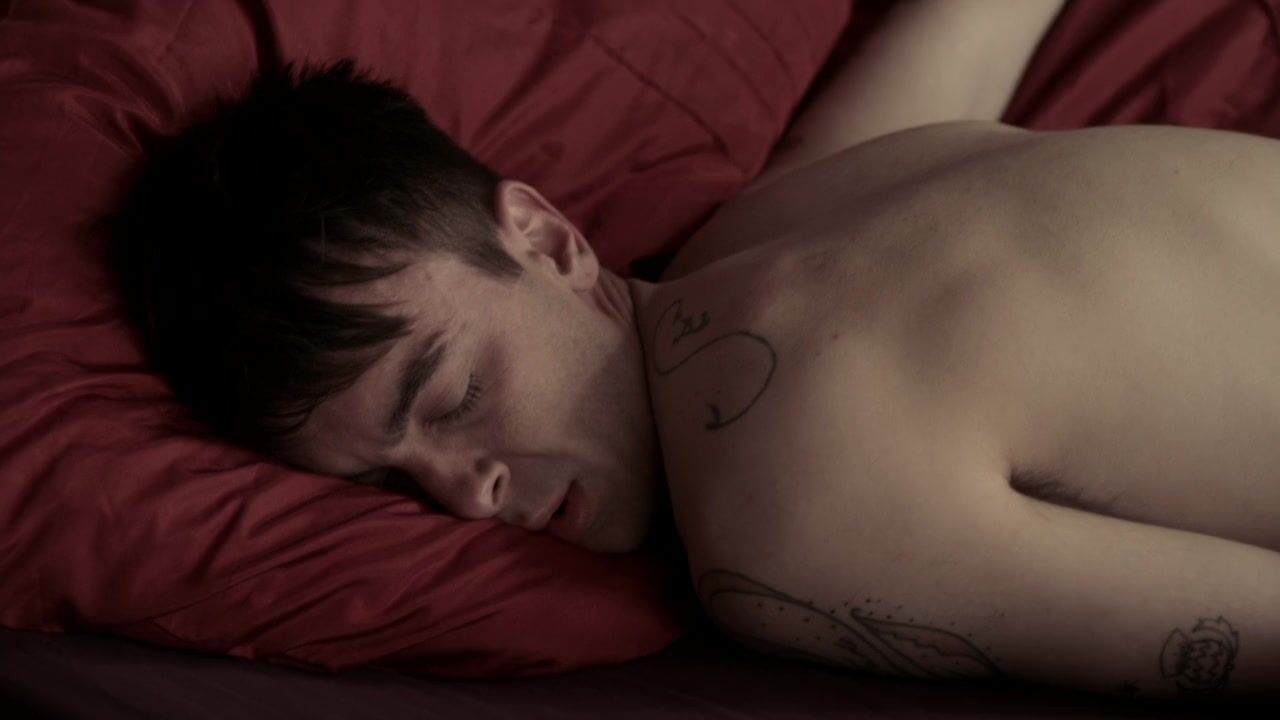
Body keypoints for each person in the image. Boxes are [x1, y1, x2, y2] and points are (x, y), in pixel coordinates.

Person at [111, 0, 1280, 701]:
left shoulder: (778, 518)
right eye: (386, 481)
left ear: (546, 238)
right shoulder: (789, 203)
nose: (467, 498)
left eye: (456, 394)